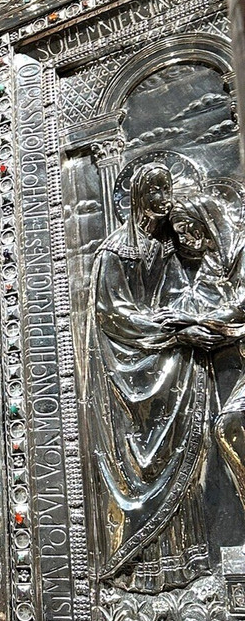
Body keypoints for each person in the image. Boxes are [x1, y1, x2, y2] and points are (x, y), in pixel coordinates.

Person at [87, 163, 223, 593]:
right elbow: (115, 315)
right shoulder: (114, 252)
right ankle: (141, 566)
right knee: (143, 467)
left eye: (168, 189)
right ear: (138, 196)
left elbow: (181, 296)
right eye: (155, 191)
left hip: (173, 372)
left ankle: (186, 561)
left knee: (186, 455)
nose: (164, 199)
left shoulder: (167, 249)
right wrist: (171, 330)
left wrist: (189, 321)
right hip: (132, 369)